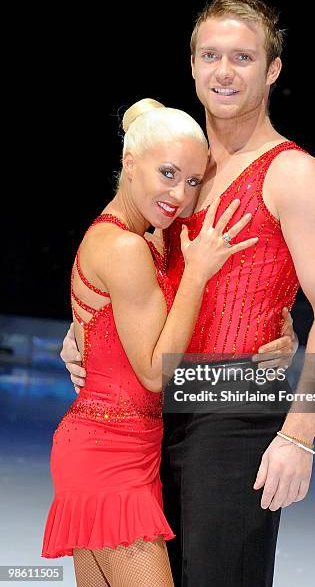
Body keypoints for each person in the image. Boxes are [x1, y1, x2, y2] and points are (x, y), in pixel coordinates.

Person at [61, 0, 315, 587]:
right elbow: (125, 259)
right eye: (210, 54)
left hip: (235, 412)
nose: (224, 72)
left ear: (272, 71)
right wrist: (84, 331)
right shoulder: (181, 167)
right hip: (149, 415)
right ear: (192, 63)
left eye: (243, 58)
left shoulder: (295, 174)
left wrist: (299, 438)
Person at [42, 98, 260, 587]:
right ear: (129, 163)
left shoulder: (146, 232)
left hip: (121, 448)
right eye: (167, 174)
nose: (179, 195)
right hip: (107, 454)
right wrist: (198, 273)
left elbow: (145, 114)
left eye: (190, 181)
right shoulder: (124, 247)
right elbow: (155, 372)